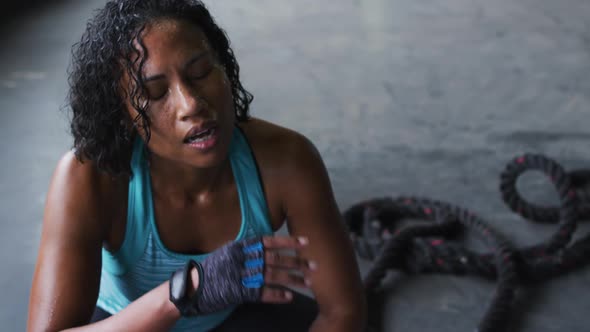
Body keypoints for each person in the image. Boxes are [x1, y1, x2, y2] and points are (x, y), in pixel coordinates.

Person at [26, 0, 366, 331]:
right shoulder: (88, 177)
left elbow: (342, 313)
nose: (190, 104)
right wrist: (185, 292)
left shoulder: (287, 161)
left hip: (234, 313)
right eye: (155, 93)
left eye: (201, 72)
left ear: (225, 69)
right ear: (124, 116)